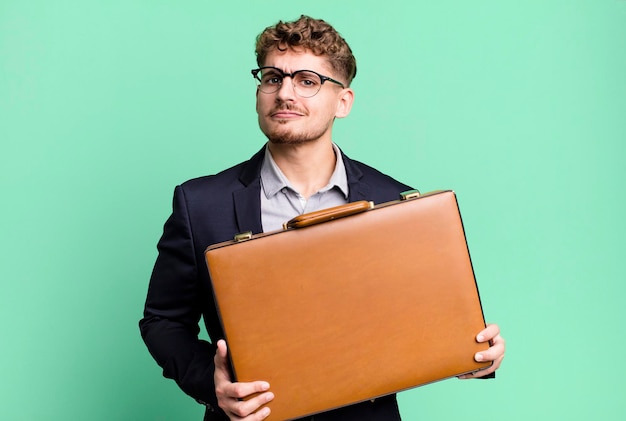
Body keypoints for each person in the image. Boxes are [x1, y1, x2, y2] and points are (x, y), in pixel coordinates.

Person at [139, 15, 505, 421]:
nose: (285, 93)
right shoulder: (200, 202)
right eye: (272, 77)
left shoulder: (395, 203)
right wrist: (213, 383)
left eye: (307, 81)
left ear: (343, 102)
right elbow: (163, 321)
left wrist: (474, 352)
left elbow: (426, 322)